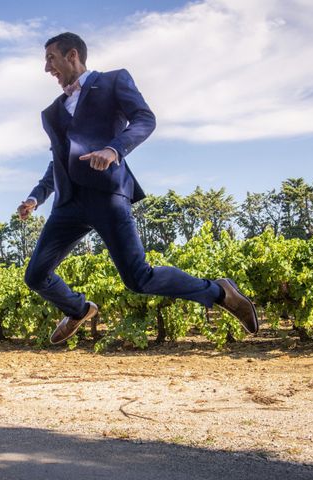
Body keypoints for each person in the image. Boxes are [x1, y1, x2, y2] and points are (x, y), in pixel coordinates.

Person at [18, 32, 258, 345]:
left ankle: (219, 292)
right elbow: (58, 162)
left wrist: (114, 149)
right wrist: (36, 197)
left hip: (107, 195)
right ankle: (77, 309)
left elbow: (145, 119)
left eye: (50, 58)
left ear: (72, 55)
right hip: (68, 204)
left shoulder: (114, 81)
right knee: (35, 275)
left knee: (139, 278)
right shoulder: (51, 113)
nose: (47, 68)